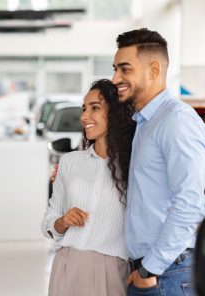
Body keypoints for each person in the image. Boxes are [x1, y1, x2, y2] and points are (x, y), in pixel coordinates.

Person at [112, 28, 205, 296]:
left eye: (124, 69)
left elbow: (190, 201)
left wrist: (149, 269)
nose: (116, 78)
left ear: (154, 70)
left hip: (167, 273)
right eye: (115, 69)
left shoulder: (176, 120)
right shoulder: (145, 122)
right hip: (154, 270)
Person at [41, 79, 136, 296]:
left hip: (111, 272)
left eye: (95, 108)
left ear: (116, 113)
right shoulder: (69, 162)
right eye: (84, 108)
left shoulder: (135, 168)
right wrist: (63, 221)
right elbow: (47, 222)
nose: (84, 116)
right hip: (65, 267)